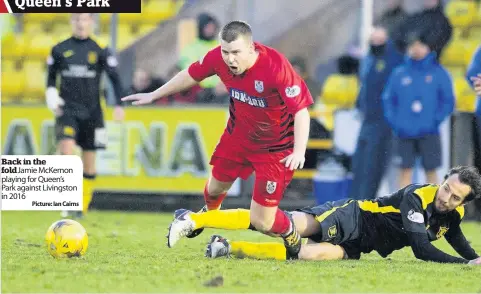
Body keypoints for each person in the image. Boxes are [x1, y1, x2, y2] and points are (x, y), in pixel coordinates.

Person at [122, 21, 314, 259]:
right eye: (225, 52)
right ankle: (208, 215)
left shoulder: (276, 67)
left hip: (275, 149)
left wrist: (299, 151)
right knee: (214, 189)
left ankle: (289, 230)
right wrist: (154, 94)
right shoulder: (218, 59)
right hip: (238, 137)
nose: (230, 59)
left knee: (263, 222)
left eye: (236, 53)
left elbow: (301, 111)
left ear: (251, 48)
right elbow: (190, 75)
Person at [204, 166, 481, 265]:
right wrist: (463, 265)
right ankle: (200, 219)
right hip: (354, 217)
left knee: (306, 255)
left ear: (463, 203)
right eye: (446, 188)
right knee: (283, 225)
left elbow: (459, 241)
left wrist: (475, 259)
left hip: (363, 244)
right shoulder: (417, 196)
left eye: (455, 197)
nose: (446, 197)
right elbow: (421, 249)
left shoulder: (452, 216)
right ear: (443, 180)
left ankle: (227, 247)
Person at [46, 13, 125, 218]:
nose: (80, 24)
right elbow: (50, 79)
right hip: (67, 111)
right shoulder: (59, 49)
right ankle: (67, 200)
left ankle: (81, 205)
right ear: (71, 22)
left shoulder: (100, 49)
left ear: (91, 22)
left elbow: (115, 78)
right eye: (77, 20)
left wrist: (118, 105)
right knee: (66, 151)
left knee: (89, 163)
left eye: (84, 20)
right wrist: (51, 95)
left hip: (92, 113)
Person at [382, 33, 454, 188]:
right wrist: (396, 122)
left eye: (420, 45)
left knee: (431, 172)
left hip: (429, 132)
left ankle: (434, 209)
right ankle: (402, 208)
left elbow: (448, 100)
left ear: (428, 48)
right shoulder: (399, 73)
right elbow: (388, 99)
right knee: (404, 171)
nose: (417, 49)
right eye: (413, 45)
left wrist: (435, 120)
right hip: (404, 132)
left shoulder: (438, 73)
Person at [350, 27, 404, 200]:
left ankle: (364, 203)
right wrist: (359, 105)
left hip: (383, 121)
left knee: (373, 166)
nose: (375, 42)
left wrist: (391, 116)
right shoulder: (370, 58)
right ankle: (354, 203)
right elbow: (365, 87)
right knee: (359, 165)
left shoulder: (393, 60)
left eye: (379, 38)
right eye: (373, 38)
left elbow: (394, 92)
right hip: (367, 119)